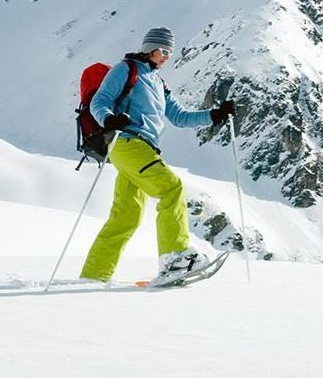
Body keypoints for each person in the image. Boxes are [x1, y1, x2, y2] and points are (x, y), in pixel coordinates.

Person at [79, 26, 235, 286]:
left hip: (142, 148)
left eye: (170, 53)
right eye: (163, 50)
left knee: (126, 217)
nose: (166, 56)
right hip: (128, 143)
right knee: (172, 188)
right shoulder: (125, 69)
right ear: (148, 47)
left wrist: (214, 115)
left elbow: (179, 117)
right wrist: (109, 119)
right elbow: (100, 101)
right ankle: (175, 260)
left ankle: (93, 276)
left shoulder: (159, 82)